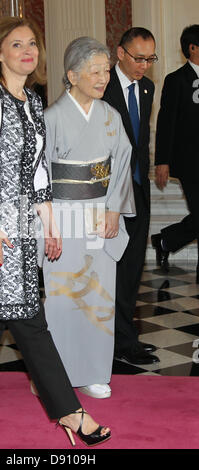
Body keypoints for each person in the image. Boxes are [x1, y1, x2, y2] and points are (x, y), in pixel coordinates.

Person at [0, 17, 111, 446]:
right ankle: (70, 413)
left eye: (33, 43)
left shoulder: (31, 101)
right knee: (29, 320)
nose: (28, 50)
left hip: (22, 223)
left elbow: (39, 172)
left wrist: (49, 226)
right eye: (16, 44)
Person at [42, 37, 135, 399]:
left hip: (100, 216)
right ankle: (55, 374)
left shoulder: (110, 117)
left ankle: (95, 371)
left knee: (98, 295)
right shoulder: (50, 119)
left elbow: (123, 164)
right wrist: (46, 225)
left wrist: (114, 209)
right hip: (62, 218)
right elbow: (37, 178)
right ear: (72, 75)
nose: (103, 78)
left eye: (106, 71)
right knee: (62, 298)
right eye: (94, 71)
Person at [102, 27, 159, 365]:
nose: (144, 66)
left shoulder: (148, 88)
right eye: (138, 58)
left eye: (150, 59)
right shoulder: (100, 85)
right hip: (107, 194)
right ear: (120, 53)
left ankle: (125, 338)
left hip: (138, 190)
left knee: (132, 267)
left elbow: (141, 142)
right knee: (112, 269)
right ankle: (112, 340)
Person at [151, 25, 199, 284]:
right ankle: (165, 240)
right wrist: (162, 161)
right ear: (192, 48)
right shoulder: (176, 80)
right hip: (190, 162)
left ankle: (166, 240)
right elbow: (166, 121)